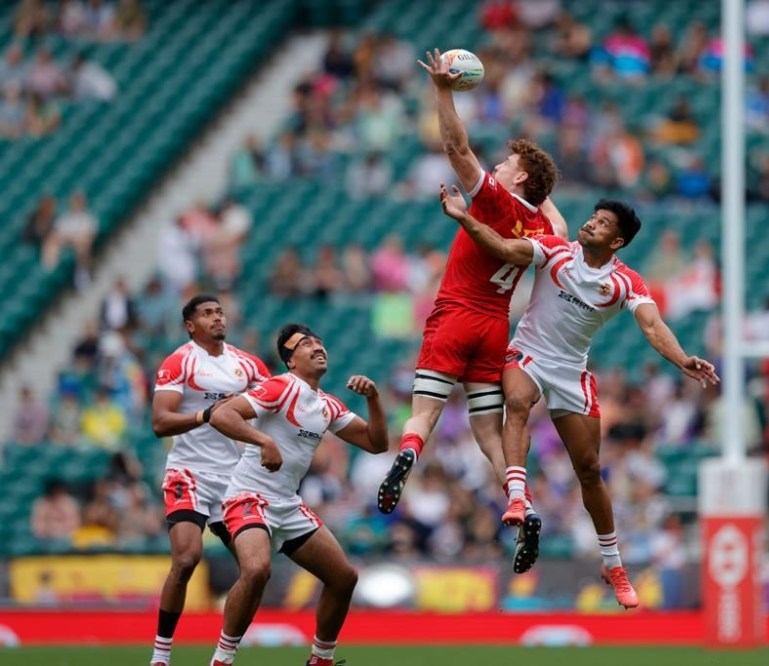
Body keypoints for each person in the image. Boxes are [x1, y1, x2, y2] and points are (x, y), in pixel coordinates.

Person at [439, 185, 718, 607]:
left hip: (571, 372)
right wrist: (463, 217)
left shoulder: (624, 282)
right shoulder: (554, 251)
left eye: (603, 223)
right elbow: (500, 246)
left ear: (617, 241)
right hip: (528, 353)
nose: (591, 222)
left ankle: (613, 562)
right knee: (515, 403)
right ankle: (517, 495)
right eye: (593, 216)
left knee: (589, 470)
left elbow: (652, 326)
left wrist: (682, 360)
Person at [377, 48, 568, 535]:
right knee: (487, 432)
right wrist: (542, 194)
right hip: (493, 328)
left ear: (519, 179)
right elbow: (562, 233)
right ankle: (520, 501)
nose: (499, 166)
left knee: (425, 411)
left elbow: (457, 149)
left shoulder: (498, 202)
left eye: (508, 162)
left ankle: (405, 459)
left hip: (456, 315)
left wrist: (442, 92)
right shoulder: (543, 232)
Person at [207, 324, 387, 666]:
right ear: (290, 361)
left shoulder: (327, 405)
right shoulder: (280, 386)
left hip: (287, 503)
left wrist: (373, 399)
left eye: (319, 342)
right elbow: (221, 414)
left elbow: (376, 443)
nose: (317, 347)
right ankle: (222, 659)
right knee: (258, 569)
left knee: (344, 577)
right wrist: (264, 441)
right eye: (305, 344)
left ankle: (321, 659)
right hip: (249, 496)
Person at [148, 295, 270, 666]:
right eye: (207, 313)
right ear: (190, 325)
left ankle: (223, 655)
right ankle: (161, 655)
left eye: (219, 312)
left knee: (256, 571)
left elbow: (276, 405)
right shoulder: (179, 361)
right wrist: (207, 414)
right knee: (186, 559)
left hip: (235, 479)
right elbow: (160, 422)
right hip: (190, 471)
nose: (217, 318)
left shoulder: (248, 365)